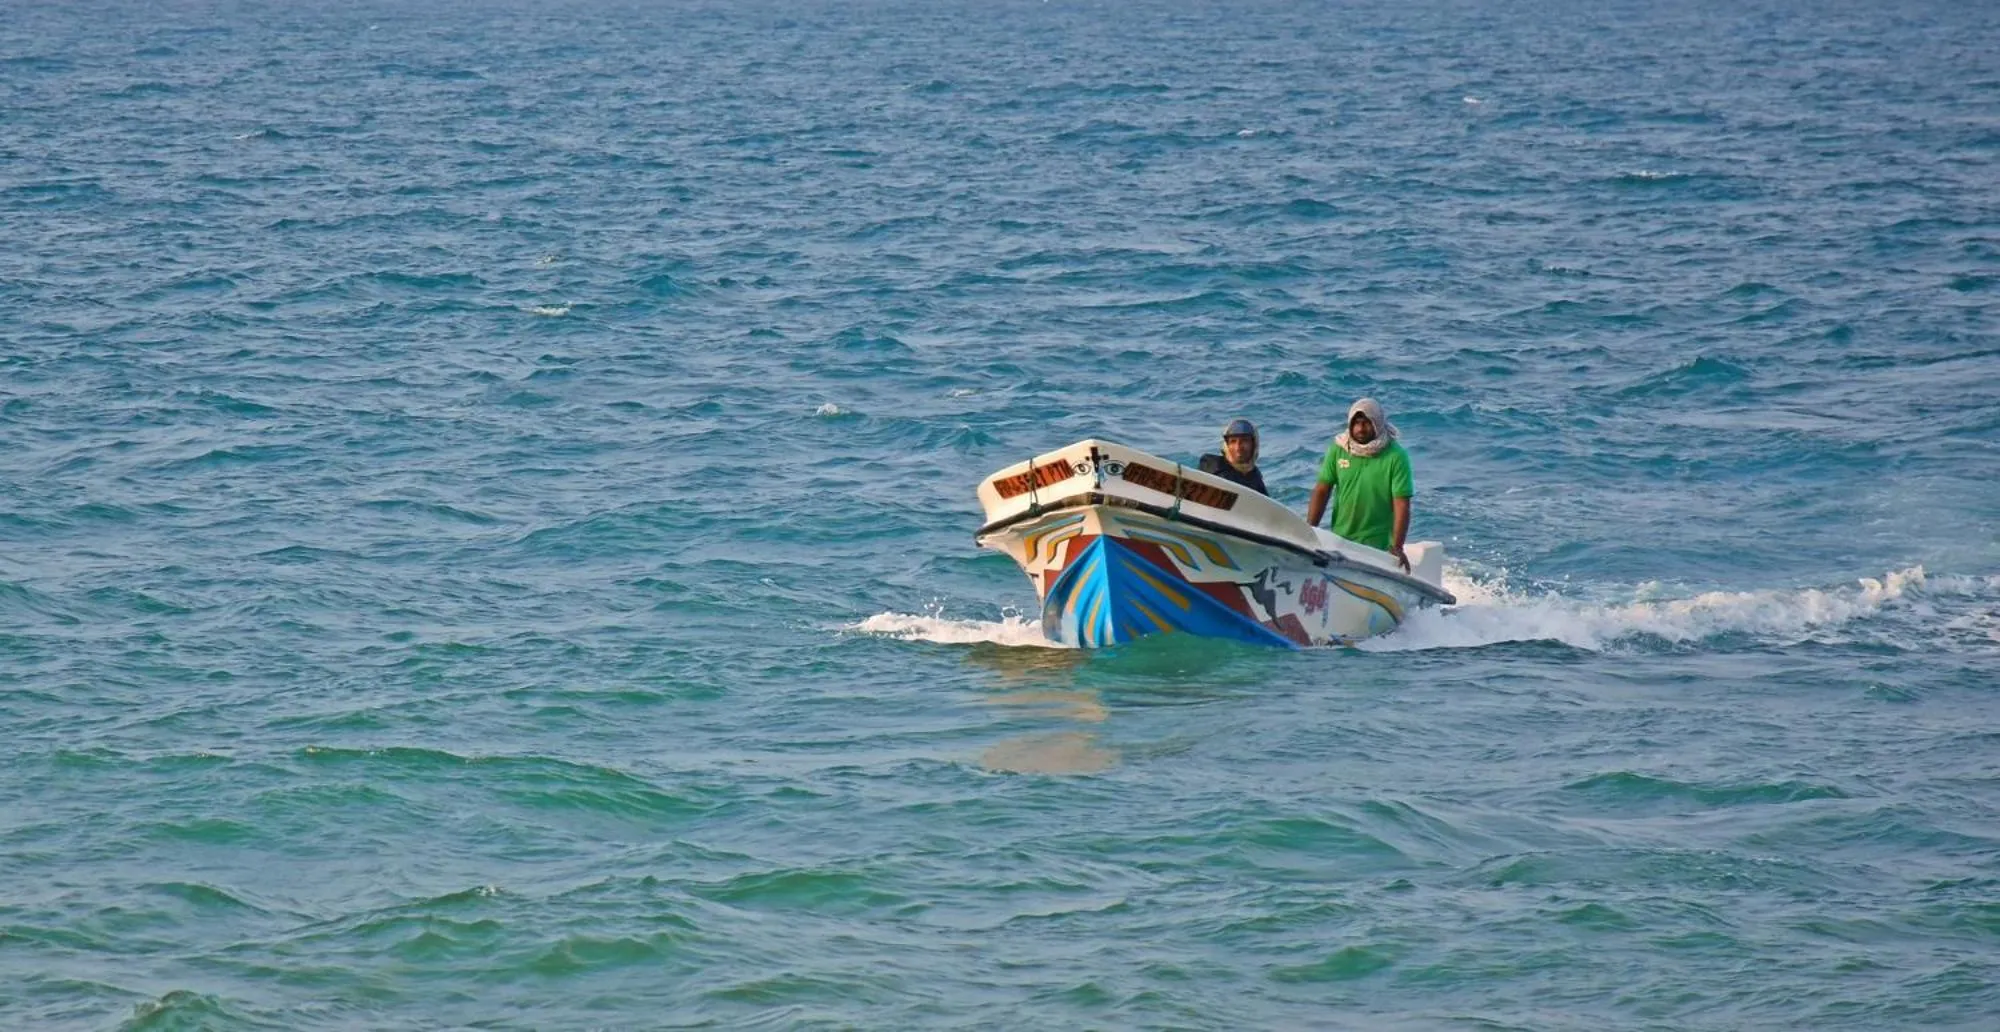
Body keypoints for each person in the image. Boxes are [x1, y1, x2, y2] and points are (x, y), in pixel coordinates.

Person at [1304, 398, 1414, 571]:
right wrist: (1309, 532)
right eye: (1356, 423)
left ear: (1377, 423)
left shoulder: (1396, 456)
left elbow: (1401, 504)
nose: (1361, 429)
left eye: (1367, 423)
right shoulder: (1338, 449)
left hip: (1377, 546)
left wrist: (1397, 546)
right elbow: (1322, 490)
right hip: (1341, 539)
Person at [1198, 418, 1269, 494]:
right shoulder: (1210, 464)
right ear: (1226, 445)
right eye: (1233, 441)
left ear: (1254, 445)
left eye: (1244, 441)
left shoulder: (1256, 479)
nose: (1238, 447)